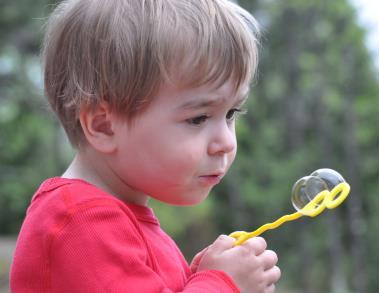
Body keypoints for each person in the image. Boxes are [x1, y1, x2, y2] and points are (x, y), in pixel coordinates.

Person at [10, 0, 281, 292]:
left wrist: (201, 277)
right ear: (103, 126)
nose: (226, 143)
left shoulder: (114, 222)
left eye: (231, 114)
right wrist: (223, 284)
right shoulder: (80, 224)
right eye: (198, 118)